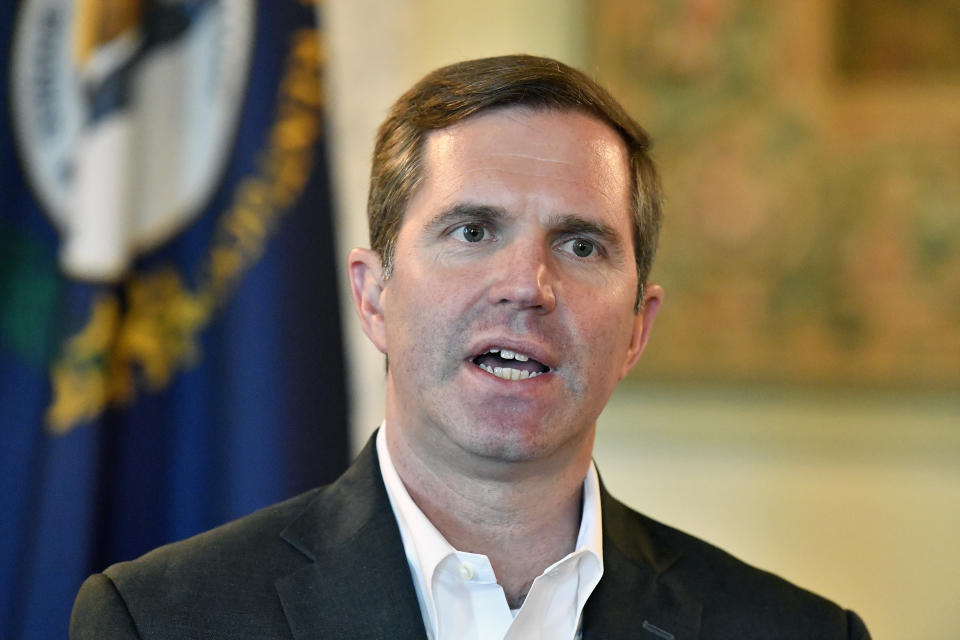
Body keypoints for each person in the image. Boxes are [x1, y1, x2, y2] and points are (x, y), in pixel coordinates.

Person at [71, 54, 870, 640]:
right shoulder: (161, 619)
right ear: (373, 294)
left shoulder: (797, 633)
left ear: (637, 328)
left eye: (582, 245)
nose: (527, 283)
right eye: (472, 230)